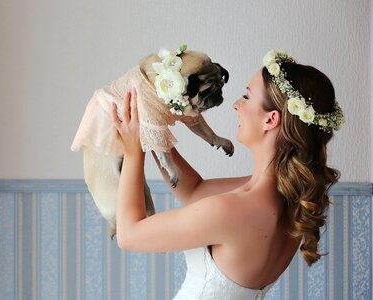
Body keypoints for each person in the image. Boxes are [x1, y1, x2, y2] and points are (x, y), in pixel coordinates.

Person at [110, 50, 344, 300]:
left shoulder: (233, 209)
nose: (236, 104)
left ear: (270, 120)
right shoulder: (288, 197)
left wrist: (134, 152)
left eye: (247, 96)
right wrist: (152, 125)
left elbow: (128, 235)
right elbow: (193, 191)